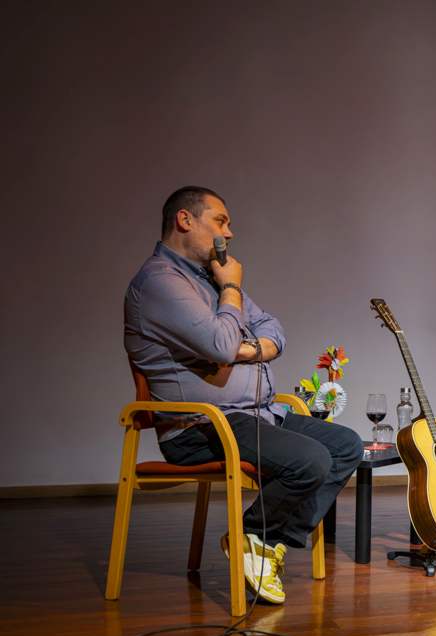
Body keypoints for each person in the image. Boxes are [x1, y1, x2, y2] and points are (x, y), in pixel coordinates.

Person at [124, 186, 363, 604]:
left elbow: (273, 329)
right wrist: (231, 290)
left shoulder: (210, 277)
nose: (229, 233)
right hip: (199, 426)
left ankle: (264, 543)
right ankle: (253, 537)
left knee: (346, 446)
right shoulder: (160, 283)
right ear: (185, 220)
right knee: (310, 460)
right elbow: (220, 345)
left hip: (254, 415)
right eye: (221, 221)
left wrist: (245, 348)